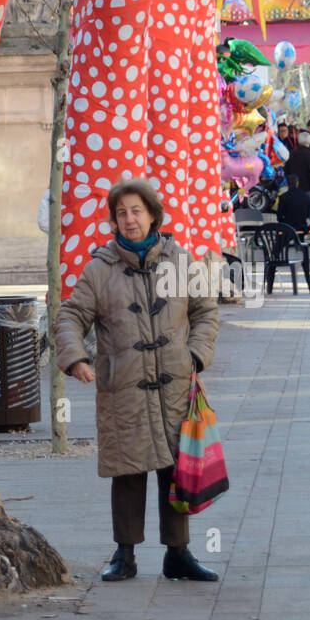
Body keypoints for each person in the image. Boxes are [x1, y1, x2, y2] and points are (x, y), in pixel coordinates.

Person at [56, 178, 219, 583]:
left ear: (152, 215)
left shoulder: (180, 262)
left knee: (174, 470)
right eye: (121, 213)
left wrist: (195, 354)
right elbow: (70, 316)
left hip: (175, 382)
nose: (129, 219)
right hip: (123, 385)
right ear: (114, 220)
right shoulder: (100, 268)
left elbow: (206, 312)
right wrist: (75, 357)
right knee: (127, 470)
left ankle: (178, 555)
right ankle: (124, 555)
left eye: (136, 211)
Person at [288, 131, 310, 221]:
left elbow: (286, 171)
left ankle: (296, 234)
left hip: (295, 190)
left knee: (296, 216)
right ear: (309, 141)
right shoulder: (309, 154)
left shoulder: (292, 153)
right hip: (309, 189)